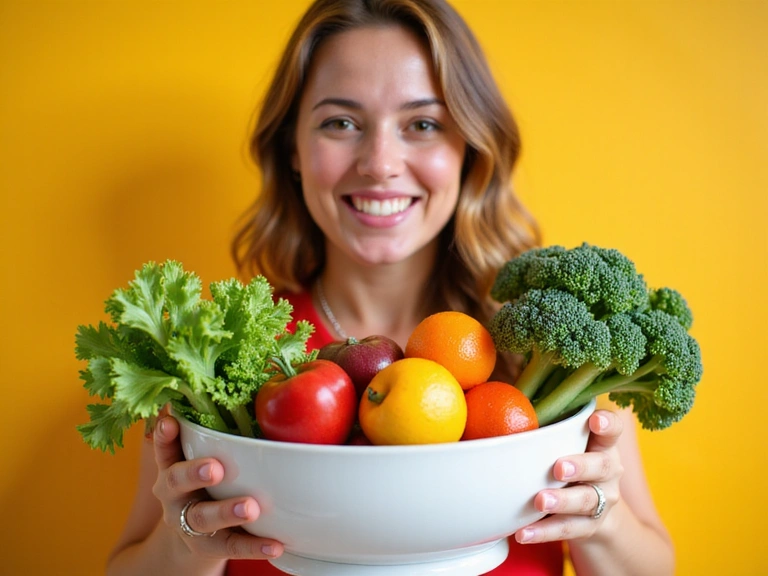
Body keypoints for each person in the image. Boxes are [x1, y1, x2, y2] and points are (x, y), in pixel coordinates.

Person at [106, 1, 675, 574]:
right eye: (341, 122)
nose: (380, 163)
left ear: (469, 151)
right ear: (293, 151)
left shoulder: (542, 356)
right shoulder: (222, 363)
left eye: (423, 124)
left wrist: (602, 521)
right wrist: (185, 545)